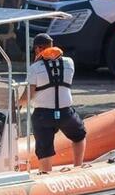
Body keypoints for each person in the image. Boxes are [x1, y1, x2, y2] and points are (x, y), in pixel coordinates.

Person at [16, 33, 87, 174]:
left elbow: (28, 95)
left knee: (45, 149)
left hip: (43, 115)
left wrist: (16, 104)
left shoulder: (34, 68)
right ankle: (78, 167)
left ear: (37, 49)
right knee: (79, 135)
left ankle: (46, 175)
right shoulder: (69, 63)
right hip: (66, 113)